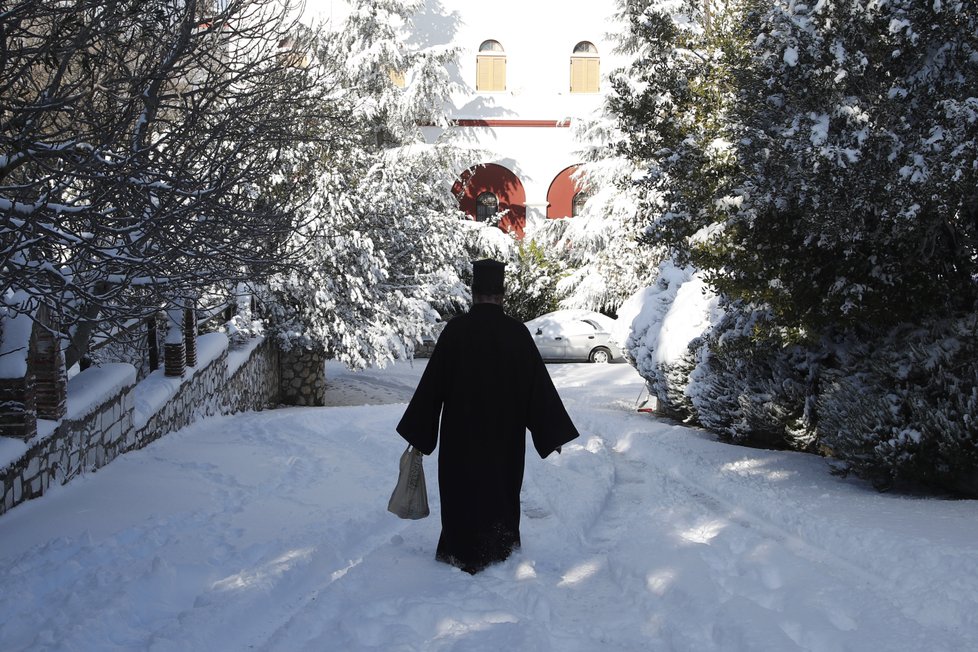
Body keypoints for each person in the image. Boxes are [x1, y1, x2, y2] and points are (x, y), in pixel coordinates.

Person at [396, 258, 580, 574]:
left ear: (473, 293)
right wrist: (551, 431)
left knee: (461, 492)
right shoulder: (517, 334)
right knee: (500, 490)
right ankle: (500, 549)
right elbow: (536, 387)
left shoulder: (455, 332)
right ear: (502, 294)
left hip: (460, 437)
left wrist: (419, 435)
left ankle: (458, 552)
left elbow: (432, 387)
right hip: (503, 438)